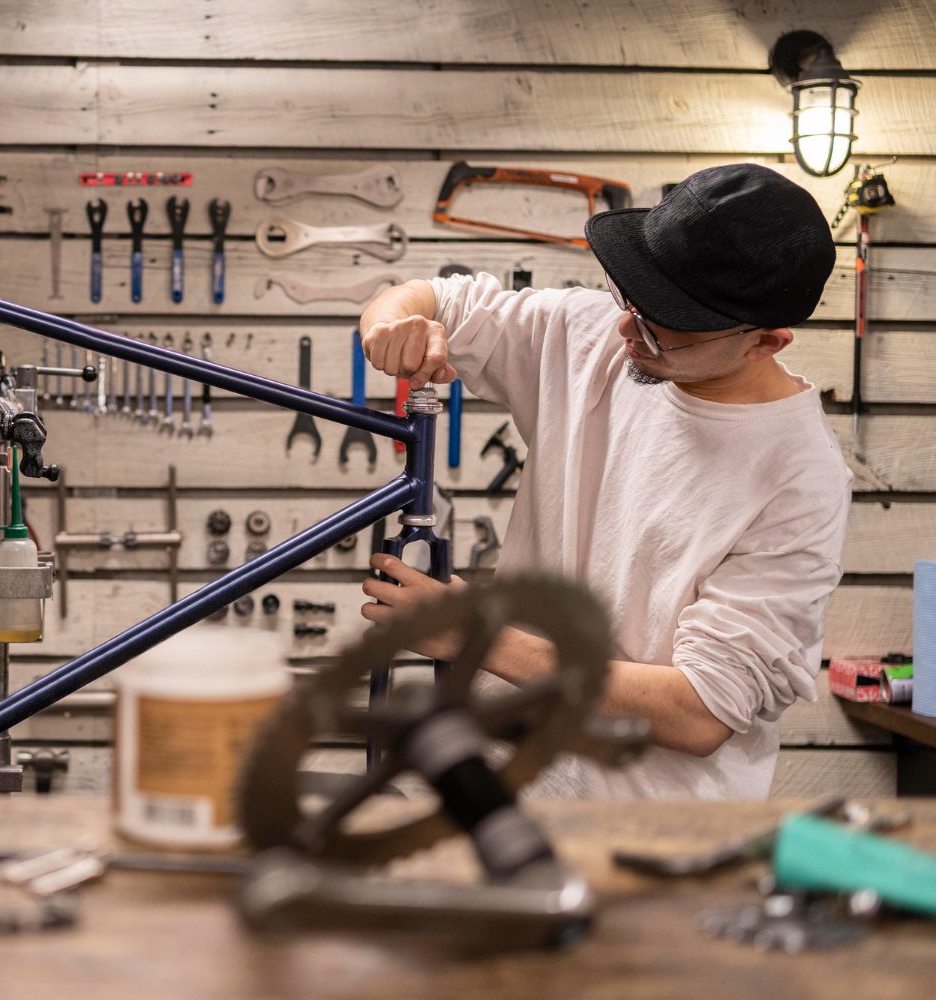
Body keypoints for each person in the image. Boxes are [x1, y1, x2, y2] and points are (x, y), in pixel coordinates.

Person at [357, 163, 851, 798]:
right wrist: (393, 328)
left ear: (766, 343)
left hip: (643, 824)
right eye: (630, 301)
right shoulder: (590, 334)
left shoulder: (801, 480)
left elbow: (700, 711)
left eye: (662, 329)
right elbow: (431, 298)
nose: (626, 332)